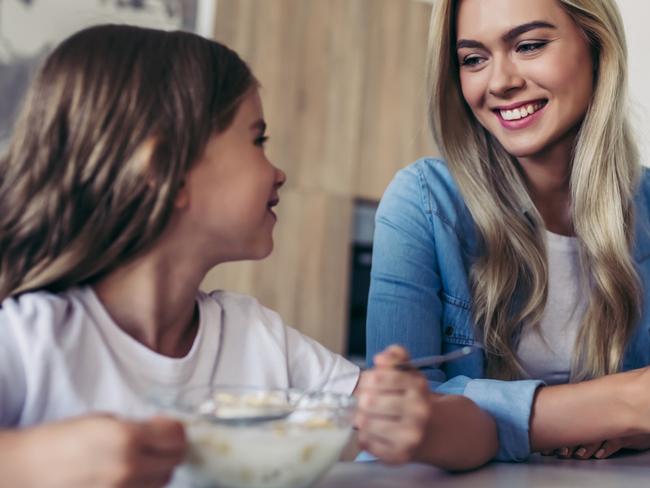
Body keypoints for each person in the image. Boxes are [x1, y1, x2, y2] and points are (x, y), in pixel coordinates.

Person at [0, 24, 497, 487]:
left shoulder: (255, 338)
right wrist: (29, 461)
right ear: (163, 171)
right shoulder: (29, 337)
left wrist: (421, 423)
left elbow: (479, 434)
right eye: (257, 139)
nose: (278, 172)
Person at [367, 0, 650, 465]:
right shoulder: (423, 202)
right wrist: (619, 405)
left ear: (597, 46)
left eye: (529, 45)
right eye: (473, 59)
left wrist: (637, 430)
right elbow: (399, 415)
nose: (499, 82)